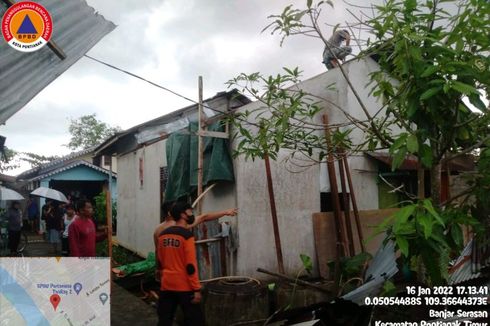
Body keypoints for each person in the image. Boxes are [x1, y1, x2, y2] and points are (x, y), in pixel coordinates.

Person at [153, 202, 238, 281]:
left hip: (166, 272)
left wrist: (158, 269)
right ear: (170, 213)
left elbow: (157, 251)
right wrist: (225, 212)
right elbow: (204, 217)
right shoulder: (181, 226)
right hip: (181, 272)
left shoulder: (158, 230)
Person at [157, 202, 204, 326]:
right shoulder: (187, 236)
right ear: (183, 215)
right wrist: (196, 289)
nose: (191, 214)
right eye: (189, 211)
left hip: (166, 285)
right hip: (184, 286)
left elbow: (160, 260)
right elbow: (190, 266)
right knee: (195, 320)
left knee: (165, 320)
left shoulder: (162, 235)